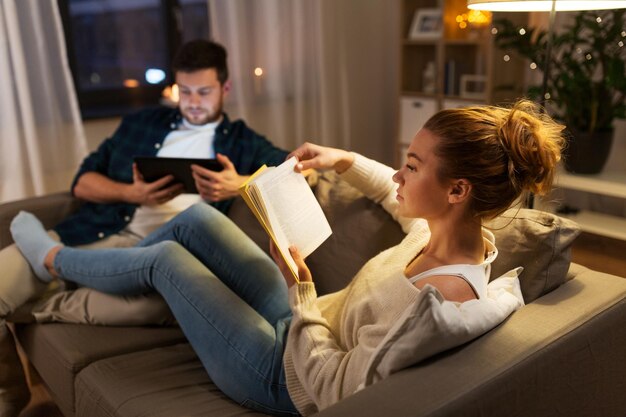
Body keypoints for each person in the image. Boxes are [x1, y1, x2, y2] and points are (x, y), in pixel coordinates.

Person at [10, 100, 564, 416]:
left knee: (166, 263)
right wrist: (342, 159)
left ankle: (53, 260)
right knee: (199, 219)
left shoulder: (439, 302)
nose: (399, 173)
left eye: (414, 166)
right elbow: (386, 194)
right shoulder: (448, 233)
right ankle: (77, 270)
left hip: (283, 378)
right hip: (301, 327)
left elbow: (333, 389)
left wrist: (299, 290)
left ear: (458, 190)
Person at [0, 39, 288, 416]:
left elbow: (294, 173)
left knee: (159, 303)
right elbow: (82, 182)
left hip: (160, 258)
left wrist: (240, 183)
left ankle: (49, 277)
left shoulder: (243, 142)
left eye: (204, 92)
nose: (193, 101)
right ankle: (9, 396)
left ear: (225, 89)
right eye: (185, 92)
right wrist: (131, 192)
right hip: (95, 234)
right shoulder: (141, 124)